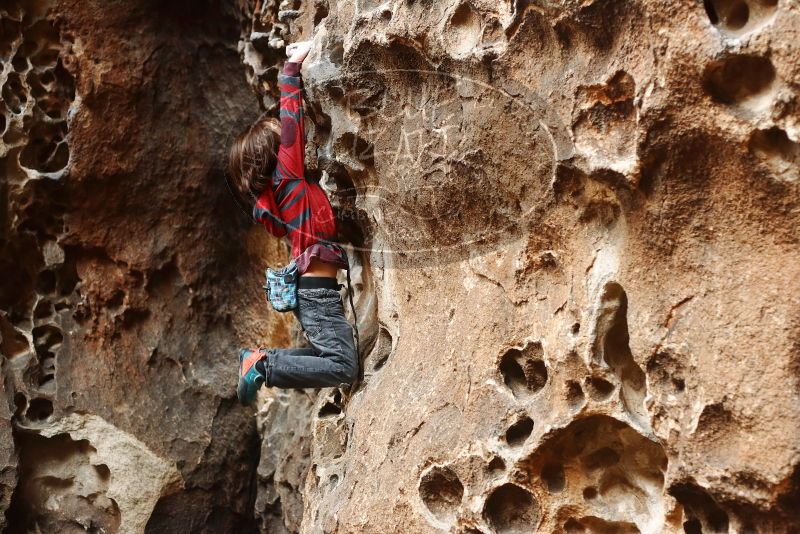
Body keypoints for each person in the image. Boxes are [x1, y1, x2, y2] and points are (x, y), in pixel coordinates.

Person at [227, 40, 358, 404]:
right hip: (315, 291)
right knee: (342, 366)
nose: (288, 145)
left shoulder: (283, 193)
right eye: (278, 142)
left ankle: (259, 361)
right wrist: (291, 70)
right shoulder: (287, 178)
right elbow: (291, 122)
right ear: (274, 156)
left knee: (336, 361)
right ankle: (263, 366)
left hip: (312, 289)